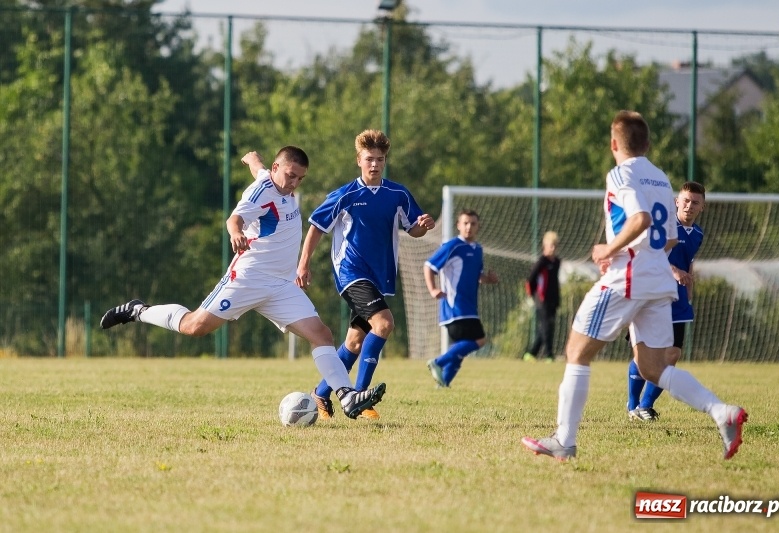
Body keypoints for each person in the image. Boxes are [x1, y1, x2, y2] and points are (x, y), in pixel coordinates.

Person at [521, 111, 747, 462]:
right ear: (648, 144)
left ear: (614, 144)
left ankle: (564, 441)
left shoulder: (620, 174)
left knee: (577, 352)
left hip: (627, 278)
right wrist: (636, 251)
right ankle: (722, 412)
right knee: (654, 368)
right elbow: (669, 238)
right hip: (658, 280)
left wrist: (608, 249)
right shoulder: (661, 178)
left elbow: (639, 219)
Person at [99, 147, 385, 419]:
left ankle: (347, 396)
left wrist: (252, 159)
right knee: (194, 327)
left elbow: (259, 169)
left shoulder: (273, 179)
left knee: (321, 334)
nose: (294, 183)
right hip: (248, 278)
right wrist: (236, 233)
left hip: (281, 286)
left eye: (300, 178)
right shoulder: (261, 191)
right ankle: (138, 310)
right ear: (277, 168)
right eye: (291, 175)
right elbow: (234, 219)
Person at [296, 129, 435, 420]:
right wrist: (303, 264)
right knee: (383, 324)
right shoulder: (345, 195)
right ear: (359, 160)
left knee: (354, 342)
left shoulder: (397, 194)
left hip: (379, 275)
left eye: (380, 159)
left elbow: (414, 229)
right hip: (350, 272)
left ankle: (321, 392)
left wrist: (424, 226)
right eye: (369, 159)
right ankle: (359, 395)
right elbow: (317, 227)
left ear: (385, 161)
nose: (375, 164)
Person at [628, 181, 706, 421]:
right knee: (644, 355)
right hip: (653, 296)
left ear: (702, 207)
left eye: (695, 202)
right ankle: (632, 405)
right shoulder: (666, 228)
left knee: (671, 355)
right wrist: (674, 271)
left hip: (678, 300)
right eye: (686, 201)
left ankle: (645, 406)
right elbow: (651, 255)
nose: (689, 206)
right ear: (676, 202)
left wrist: (689, 287)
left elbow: (688, 261)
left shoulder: (698, 234)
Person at [424, 209, 499, 387]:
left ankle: (443, 384)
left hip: (469, 307)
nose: (469, 227)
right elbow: (429, 266)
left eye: (473, 223)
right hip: (454, 307)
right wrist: (433, 289)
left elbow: (478, 276)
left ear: (478, 226)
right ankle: (438, 362)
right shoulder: (452, 246)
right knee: (479, 340)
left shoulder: (477, 249)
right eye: (465, 223)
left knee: (461, 348)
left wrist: (488, 279)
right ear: (458, 225)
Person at [523, 231, 561, 362]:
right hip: (542, 300)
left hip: (553, 299)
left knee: (547, 327)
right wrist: (534, 295)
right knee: (546, 325)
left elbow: (554, 282)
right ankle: (549, 354)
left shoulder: (557, 262)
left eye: (555, 245)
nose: (553, 248)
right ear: (545, 245)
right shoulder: (541, 262)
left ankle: (531, 353)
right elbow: (530, 280)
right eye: (551, 245)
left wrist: (557, 298)